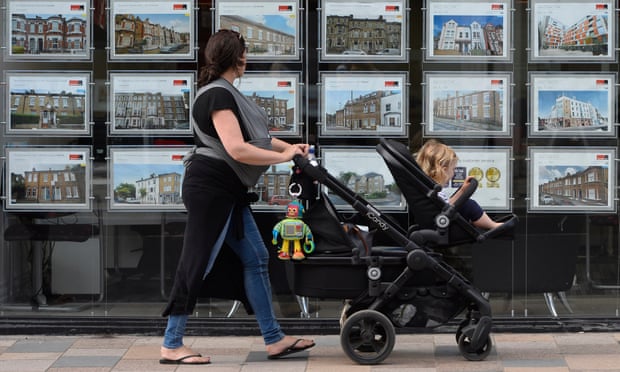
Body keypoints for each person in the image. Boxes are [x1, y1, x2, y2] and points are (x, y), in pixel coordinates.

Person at [159, 29, 315, 365]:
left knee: (256, 258)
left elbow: (259, 138)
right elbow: (237, 148)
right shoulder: (217, 96)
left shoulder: (226, 93)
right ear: (238, 58)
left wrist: (290, 148)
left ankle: (274, 339)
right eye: (245, 53)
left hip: (227, 190)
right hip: (211, 189)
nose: (248, 60)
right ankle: (171, 344)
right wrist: (284, 158)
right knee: (197, 262)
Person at [415, 139, 502, 230]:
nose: (453, 174)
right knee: (469, 205)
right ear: (444, 170)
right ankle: (492, 225)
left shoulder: (428, 186)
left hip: (440, 217)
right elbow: (446, 208)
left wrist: (462, 191)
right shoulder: (433, 190)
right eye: (453, 169)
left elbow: (446, 205)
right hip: (442, 222)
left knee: (466, 204)